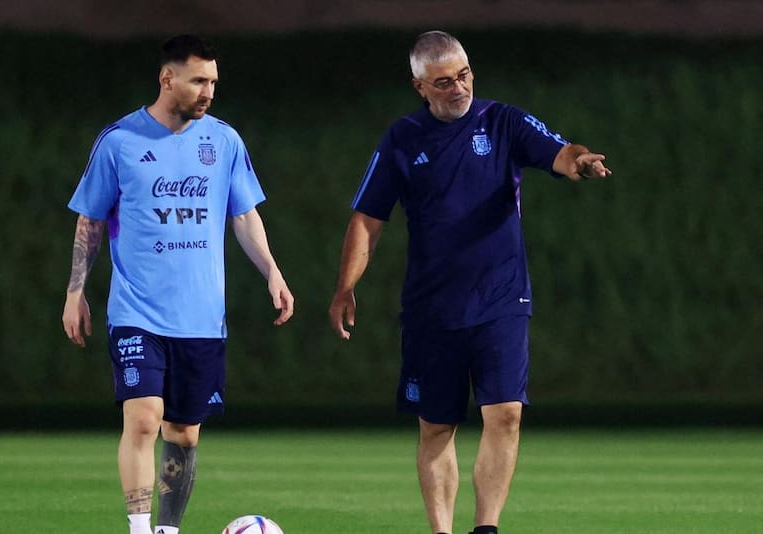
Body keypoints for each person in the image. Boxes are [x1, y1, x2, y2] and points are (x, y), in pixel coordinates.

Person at [328, 31, 610, 534]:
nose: (458, 88)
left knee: (505, 414)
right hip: (432, 307)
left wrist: (581, 162)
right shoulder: (402, 139)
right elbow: (368, 218)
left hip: (502, 296)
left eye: (464, 75)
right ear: (419, 86)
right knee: (437, 426)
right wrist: (346, 287)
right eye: (443, 82)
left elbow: (561, 151)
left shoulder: (503, 121)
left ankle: (486, 528)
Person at [62, 34, 294, 534]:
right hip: (137, 312)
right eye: (198, 81)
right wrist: (74, 292)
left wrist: (272, 270)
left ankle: (168, 529)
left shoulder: (224, 141)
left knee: (184, 432)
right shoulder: (119, 142)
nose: (209, 91)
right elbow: (91, 221)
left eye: (213, 81)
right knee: (144, 418)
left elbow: (243, 214)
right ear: (167, 79)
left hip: (201, 316)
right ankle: (140, 530)